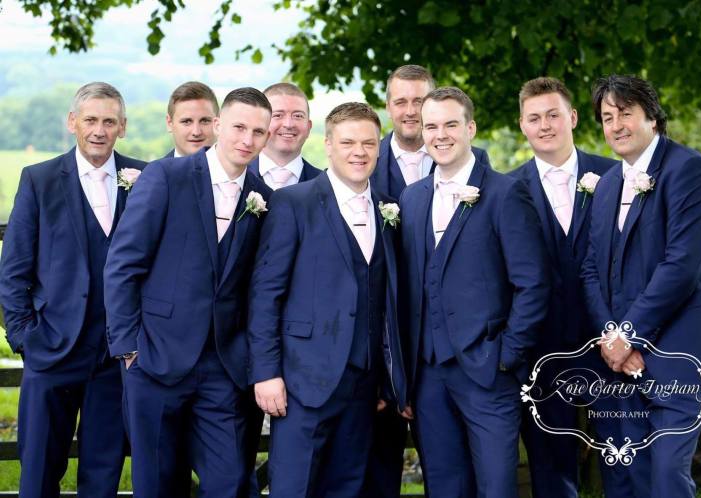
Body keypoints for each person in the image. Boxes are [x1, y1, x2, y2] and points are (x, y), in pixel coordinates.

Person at [581, 74, 701, 497]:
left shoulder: (689, 170)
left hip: (679, 349)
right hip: (618, 360)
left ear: (652, 117)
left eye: (625, 114)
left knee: (667, 474)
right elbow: (590, 270)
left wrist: (628, 335)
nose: (615, 125)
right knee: (630, 475)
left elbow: (681, 267)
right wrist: (612, 339)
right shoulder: (607, 185)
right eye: (607, 117)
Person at [104, 87, 274, 498]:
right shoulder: (167, 177)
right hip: (154, 358)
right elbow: (123, 264)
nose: (247, 139)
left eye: (258, 132)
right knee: (157, 483)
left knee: (229, 482)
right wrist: (129, 348)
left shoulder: (263, 197)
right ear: (218, 125)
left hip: (223, 367)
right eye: (238, 127)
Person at [248, 102, 408, 498]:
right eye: (348, 142)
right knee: (294, 488)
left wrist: (389, 379)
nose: (359, 152)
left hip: (366, 387)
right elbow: (266, 294)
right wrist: (266, 372)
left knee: (346, 488)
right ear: (329, 145)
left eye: (368, 143)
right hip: (303, 381)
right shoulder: (293, 203)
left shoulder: (388, 207)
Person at [399, 87, 549, 497]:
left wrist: (507, 355)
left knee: (496, 486)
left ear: (470, 128)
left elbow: (533, 283)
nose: (440, 135)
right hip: (427, 376)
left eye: (451, 124)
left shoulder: (505, 193)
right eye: (431, 126)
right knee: (444, 487)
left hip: (489, 371)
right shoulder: (412, 199)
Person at [0, 82, 144, 497]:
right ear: (72, 122)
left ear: (122, 127)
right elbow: (14, 269)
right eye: (90, 120)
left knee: (103, 472)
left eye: (109, 122)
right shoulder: (39, 179)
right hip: (51, 351)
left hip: (115, 356)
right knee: (38, 471)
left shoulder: (146, 177)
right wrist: (25, 338)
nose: (99, 130)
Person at [509, 76, 619, 498]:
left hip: (610, 343)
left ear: (572, 117)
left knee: (624, 455)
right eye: (534, 118)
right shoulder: (507, 189)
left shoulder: (614, 175)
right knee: (552, 468)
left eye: (553, 115)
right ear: (522, 125)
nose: (545, 125)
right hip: (541, 349)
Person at [371, 64, 490, 200]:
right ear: (388, 108)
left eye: (418, 102)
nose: (410, 112)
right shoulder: (366, 160)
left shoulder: (476, 158)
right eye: (400, 102)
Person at [248, 82, 321, 188]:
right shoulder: (235, 175)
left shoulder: (327, 185)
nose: (288, 124)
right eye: (278, 115)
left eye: (298, 116)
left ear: (309, 127)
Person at [165, 80, 219, 158]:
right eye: (186, 121)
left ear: (218, 123)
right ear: (169, 123)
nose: (196, 132)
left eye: (205, 121)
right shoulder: (154, 166)